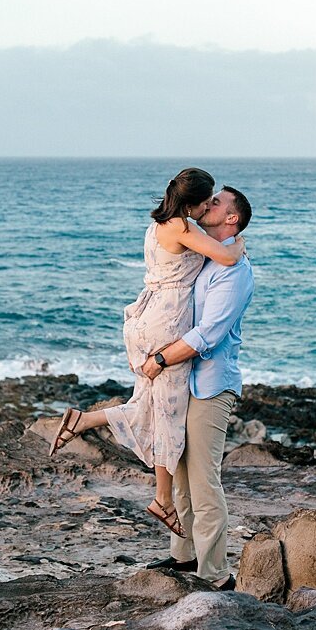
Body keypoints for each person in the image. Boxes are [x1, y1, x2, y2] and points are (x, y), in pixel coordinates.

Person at [48, 168, 244, 539]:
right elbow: (228, 257)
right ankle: (161, 499)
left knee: (152, 406)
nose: (208, 206)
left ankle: (84, 422)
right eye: (207, 200)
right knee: (168, 416)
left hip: (146, 318)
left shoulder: (161, 224)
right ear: (192, 203)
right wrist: (239, 245)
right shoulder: (184, 229)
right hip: (166, 326)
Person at [139, 185, 253, 591]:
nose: (209, 205)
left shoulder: (234, 272)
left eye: (217, 202)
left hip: (209, 386)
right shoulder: (207, 254)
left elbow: (208, 333)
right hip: (185, 382)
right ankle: (183, 558)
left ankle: (216, 575)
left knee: (205, 483)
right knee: (182, 477)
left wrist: (160, 359)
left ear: (231, 218)